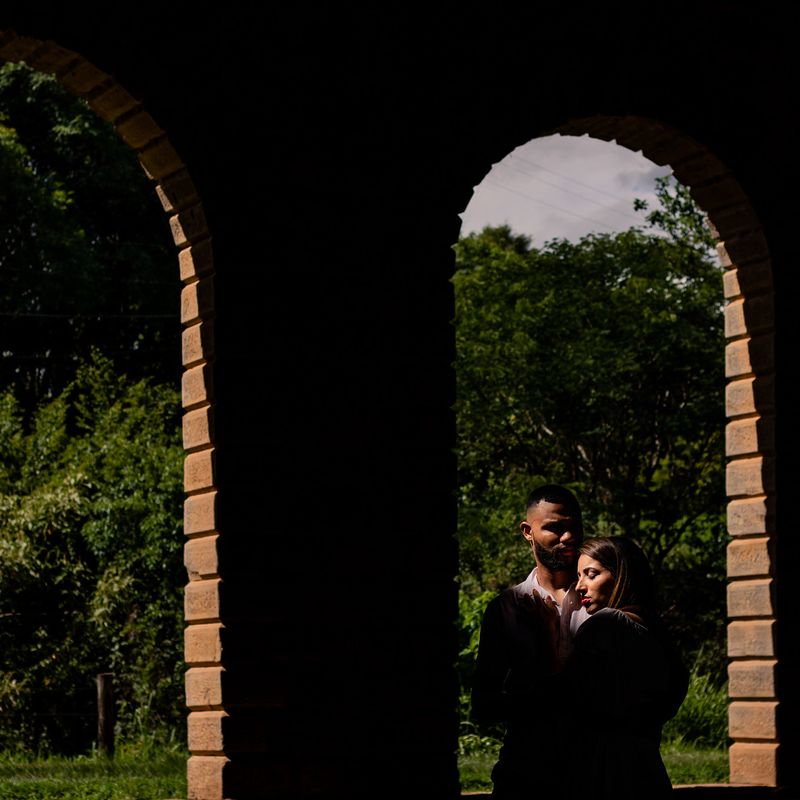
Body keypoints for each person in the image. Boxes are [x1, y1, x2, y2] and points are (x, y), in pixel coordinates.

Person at [471, 484, 589, 800]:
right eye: (554, 528)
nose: (568, 537)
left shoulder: (606, 599)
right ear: (528, 531)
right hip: (525, 779)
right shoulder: (507, 609)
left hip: (597, 778)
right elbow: (482, 706)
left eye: (574, 527)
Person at [567, 536, 689, 800]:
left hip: (605, 776)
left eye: (591, 574)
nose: (579, 586)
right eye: (578, 576)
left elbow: (565, 698)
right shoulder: (655, 631)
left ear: (622, 574)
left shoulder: (606, 625)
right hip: (647, 772)